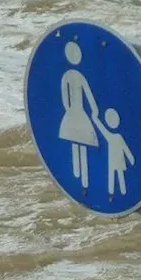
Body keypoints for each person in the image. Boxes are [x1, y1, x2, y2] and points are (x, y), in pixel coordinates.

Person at [58, 42, 100, 189]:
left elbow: (66, 97)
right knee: (81, 142)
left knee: (78, 142)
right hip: (78, 112)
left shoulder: (67, 75)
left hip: (73, 113)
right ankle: (82, 179)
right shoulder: (75, 76)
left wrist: (69, 110)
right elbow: (87, 95)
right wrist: (93, 110)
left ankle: (80, 177)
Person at [96, 108, 134, 196]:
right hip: (114, 160)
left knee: (116, 175)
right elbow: (102, 129)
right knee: (115, 175)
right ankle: (116, 193)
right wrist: (96, 119)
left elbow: (125, 148)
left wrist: (130, 158)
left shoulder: (115, 136)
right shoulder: (114, 136)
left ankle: (119, 193)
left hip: (117, 159)